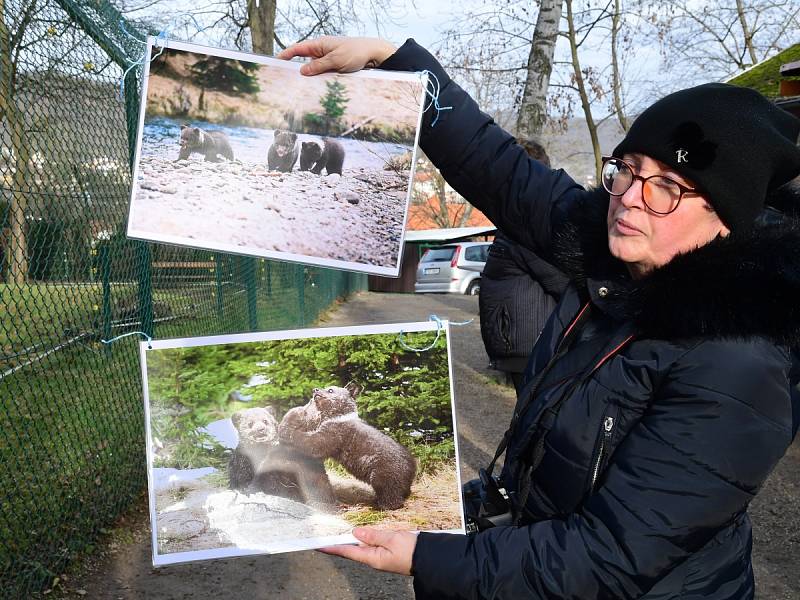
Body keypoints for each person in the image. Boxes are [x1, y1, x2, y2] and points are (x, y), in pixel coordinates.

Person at [277, 37, 800, 599]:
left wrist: (430, 558)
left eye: (667, 186)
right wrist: (401, 66)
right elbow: (498, 168)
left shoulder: (739, 364)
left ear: (727, 216)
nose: (628, 199)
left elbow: (610, 556)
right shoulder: (618, 258)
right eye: (626, 169)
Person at [478, 138, 569, 393]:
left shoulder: (520, 223)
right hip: (526, 347)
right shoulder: (521, 224)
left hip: (525, 347)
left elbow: (563, 281)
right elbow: (564, 280)